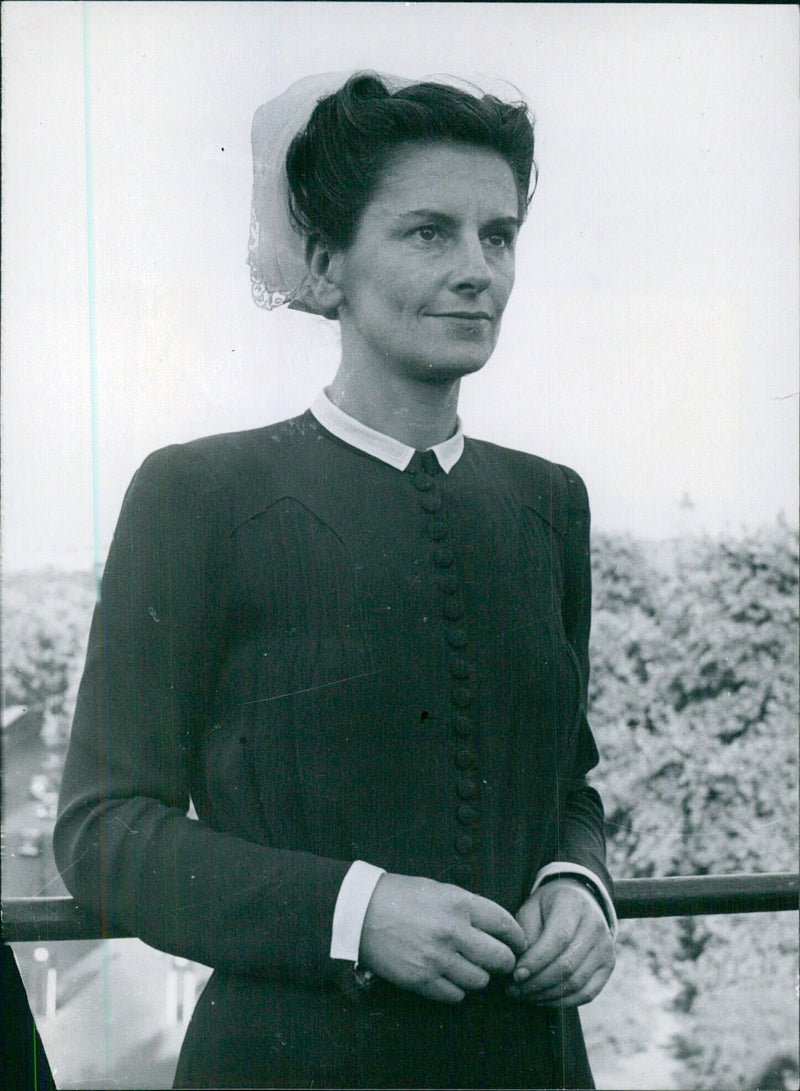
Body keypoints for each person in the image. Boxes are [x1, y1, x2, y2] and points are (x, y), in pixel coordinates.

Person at [54, 71, 616, 1089]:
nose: (475, 269)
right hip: (290, 1061)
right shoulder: (201, 492)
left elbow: (563, 779)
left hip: (530, 1063)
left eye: (497, 235)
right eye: (426, 232)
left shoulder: (549, 503)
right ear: (324, 263)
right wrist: (353, 912)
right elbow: (102, 833)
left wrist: (576, 880)